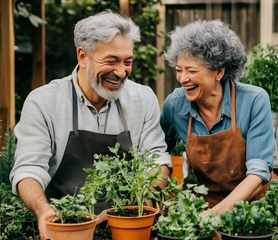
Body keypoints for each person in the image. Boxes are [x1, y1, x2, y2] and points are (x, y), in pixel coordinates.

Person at [10, 10, 171, 240]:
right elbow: (28, 170)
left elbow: (157, 158)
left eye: (128, 62)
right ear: (82, 56)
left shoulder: (143, 99)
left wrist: (144, 198)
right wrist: (44, 212)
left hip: (125, 227)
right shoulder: (43, 102)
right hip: (67, 228)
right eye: (111, 61)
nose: (121, 72)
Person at [160, 19, 277, 217]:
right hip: (207, 202)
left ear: (219, 72)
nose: (182, 78)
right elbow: (158, 150)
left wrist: (212, 216)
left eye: (192, 71)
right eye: (179, 70)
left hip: (255, 206)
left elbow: (259, 171)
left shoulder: (254, 100)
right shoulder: (175, 105)